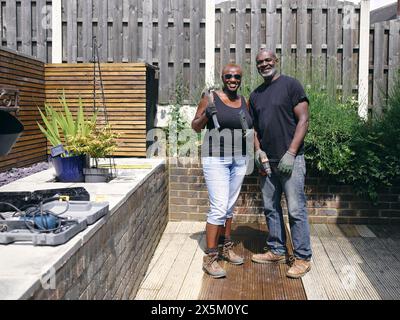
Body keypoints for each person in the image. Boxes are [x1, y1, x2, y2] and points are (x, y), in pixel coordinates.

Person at [249, 49, 312, 278]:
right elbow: (253, 128)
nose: (264, 64)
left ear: (276, 60)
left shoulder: (290, 85)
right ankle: (276, 249)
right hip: (267, 161)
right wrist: (258, 151)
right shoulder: (255, 95)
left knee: (296, 209)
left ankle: (303, 257)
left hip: (290, 161)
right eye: (260, 62)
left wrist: (292, 152)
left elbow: (303, 120)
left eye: (267, 60)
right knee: (270, 207)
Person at [191, 64, 253, 278]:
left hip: (240, 158)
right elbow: (195, 126)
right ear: (222, 77)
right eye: (229, 76)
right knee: (218, 207)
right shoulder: (210, 99)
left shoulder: (245, 101)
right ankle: (210, 256)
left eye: (236, 76)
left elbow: (251, 129)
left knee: (228, 207)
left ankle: (226, 246)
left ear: (241, 78)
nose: (233, 79)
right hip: (216, 158)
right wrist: (206, 115)